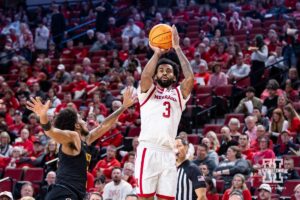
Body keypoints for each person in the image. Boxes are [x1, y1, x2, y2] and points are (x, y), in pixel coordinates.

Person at [26, 88, 136, 200]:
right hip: (64, 192)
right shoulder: (72, 137)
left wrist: (123, 107)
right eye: (81, 119)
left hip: (75, 193)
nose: (85, 121)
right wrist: (43, 117)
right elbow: (51, 131)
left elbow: (104, 125)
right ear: (77, 126)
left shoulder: (85, 139)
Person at [135, 25, 194, 200]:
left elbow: (190, 78)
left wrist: (177, 48)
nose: (165, 72)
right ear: (156, 75)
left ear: (175, 77)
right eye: (161, 70)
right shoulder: (147, 92)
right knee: (144, 198)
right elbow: (145, 77)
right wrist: (157, 53)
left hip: (169, 153)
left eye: (168, 71)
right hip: (149, 149)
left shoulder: (178, 94)